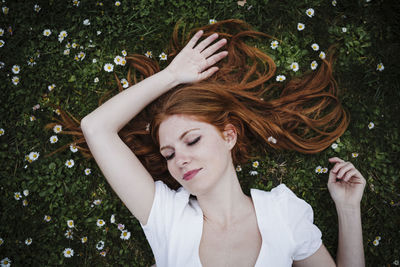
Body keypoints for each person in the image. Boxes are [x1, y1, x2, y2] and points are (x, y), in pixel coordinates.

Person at [48, 19, 366, 266]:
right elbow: (96, 127)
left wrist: (348, 209)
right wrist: (172, 76)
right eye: (169, 154)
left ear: (228, 135)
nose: (180, 160)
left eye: (193, 140)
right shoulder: (165, 216)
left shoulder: (283, 214)